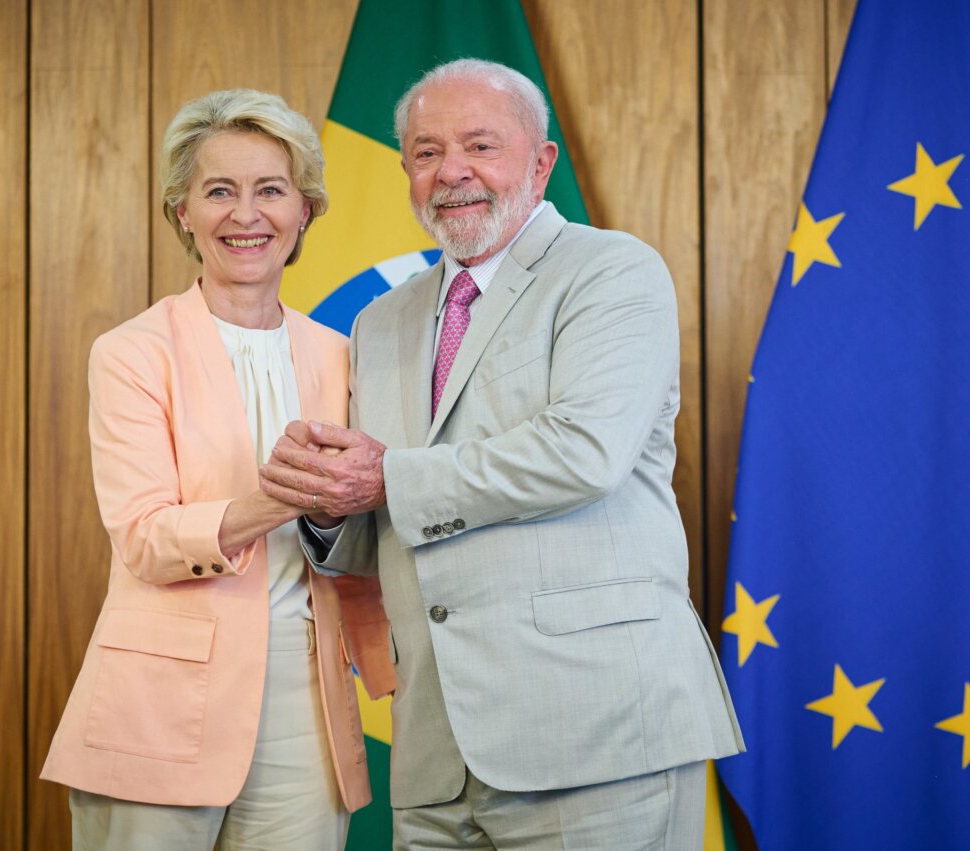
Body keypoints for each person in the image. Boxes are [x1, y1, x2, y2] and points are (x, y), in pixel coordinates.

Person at [259, 59, 743, 849]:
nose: (450, 171)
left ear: (541, 160)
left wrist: (382, 476)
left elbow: (584, 453)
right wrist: (323, 505)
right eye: (424, 152)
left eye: (480, 145)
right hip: (435, 753)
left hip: (596, 738)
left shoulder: (612, 273)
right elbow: (382, 513)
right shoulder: (380, 322)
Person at [41, 89, 394, 850]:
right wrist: (276, 498)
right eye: (219, 191)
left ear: (305, 212)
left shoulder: (342, 354)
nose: (247, 214)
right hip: (160, 698)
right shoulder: (134, 352)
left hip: (307, 695)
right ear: (183, 213)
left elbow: (359, 526)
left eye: (271, 190)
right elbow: (145, 538)